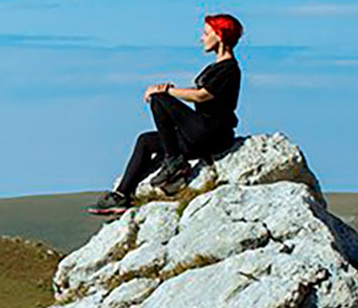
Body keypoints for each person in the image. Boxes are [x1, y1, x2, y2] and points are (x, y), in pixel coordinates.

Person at [88, 14, 244, 215]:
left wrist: (165, 91)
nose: (201, 38)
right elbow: (196, 92)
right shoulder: (214, 68)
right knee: (145, 141)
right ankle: (121, 195)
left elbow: (202, 95)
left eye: (206, 33)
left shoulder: (230, 69)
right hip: (198, 132)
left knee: (159, 99)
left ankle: (173, 161)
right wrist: (169, 89)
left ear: (220, 36)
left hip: (213, 133)